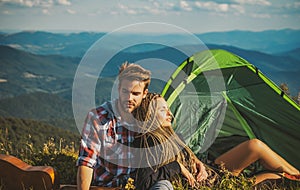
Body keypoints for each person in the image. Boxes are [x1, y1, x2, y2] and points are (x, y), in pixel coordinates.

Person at [131, 93, 300, 189]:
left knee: (254, 145)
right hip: (215, 185)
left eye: (168, 109)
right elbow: (144, 181)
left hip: (213, 170)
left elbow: (188, 155)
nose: (170, 114)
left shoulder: (170, 135)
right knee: (278, 178)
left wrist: (198, 164)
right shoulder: (149, 141)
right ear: (149, 114)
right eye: (163, 110)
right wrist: (178, 167)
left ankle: (297, 175)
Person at [76, 62, 151, 189]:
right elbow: (86, 162)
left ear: (145, 93)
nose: (129, 98)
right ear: (118, 89)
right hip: (106, 187)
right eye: (125, 91)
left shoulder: (148, 117)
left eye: (135, 94)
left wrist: (192, 159)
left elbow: (168, 140)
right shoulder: (98, 117)